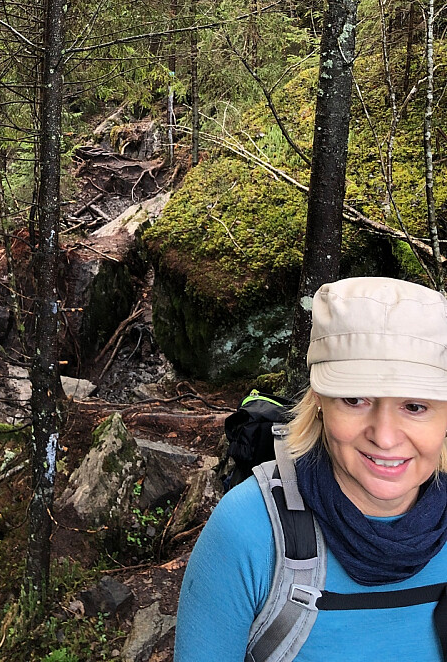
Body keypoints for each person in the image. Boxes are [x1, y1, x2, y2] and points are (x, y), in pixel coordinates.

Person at [175, 276, 447, 662]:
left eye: (415, 406)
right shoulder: (247, 532)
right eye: (354, 399)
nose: (385, 437)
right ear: (319, 400)